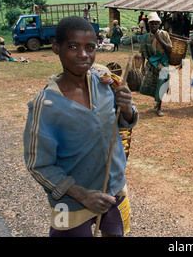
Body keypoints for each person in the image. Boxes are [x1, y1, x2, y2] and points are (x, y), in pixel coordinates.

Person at [23, 16, 138, 237]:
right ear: (56, 48)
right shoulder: (45, 105)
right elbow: (38, 165)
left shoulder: (106, 84)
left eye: (90, 47)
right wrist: (83, 195)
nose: (83, 55)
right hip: (71, 201)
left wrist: (127, 109)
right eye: (73, 46)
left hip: (115, 189)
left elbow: (124, 123)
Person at [138, 12, 173, 117]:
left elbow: (170, 49)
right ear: (148, 25)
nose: (153, 25)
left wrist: (159, 39)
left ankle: (159, 107)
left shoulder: (164, 34)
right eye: (151, 23)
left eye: (155, 24)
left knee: (161, 84)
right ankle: (157, 102)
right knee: (153, 85)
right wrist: (143, 66)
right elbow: (143, 53)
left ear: (159, 25)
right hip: (152, 64)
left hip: (163, 63)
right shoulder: (145, 38)